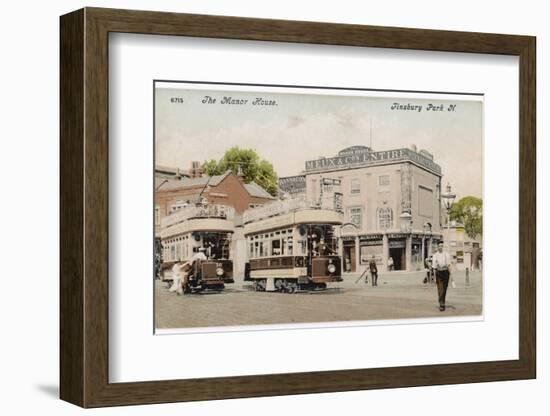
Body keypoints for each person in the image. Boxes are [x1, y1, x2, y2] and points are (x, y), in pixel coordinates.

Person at [432, 242, 453, 311]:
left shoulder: (446, 254)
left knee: (444, 289)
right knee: (440, 289)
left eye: (441, 246)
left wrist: (451, 275)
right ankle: (441, 304)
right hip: (439, 273)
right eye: (439, 246)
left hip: (446, 273)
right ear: (437, 247)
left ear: (443, 247)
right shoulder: (435, 255)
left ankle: (442, 302)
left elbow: (449, 265)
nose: (440, 247)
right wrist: (434, 278)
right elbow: (434, 268)